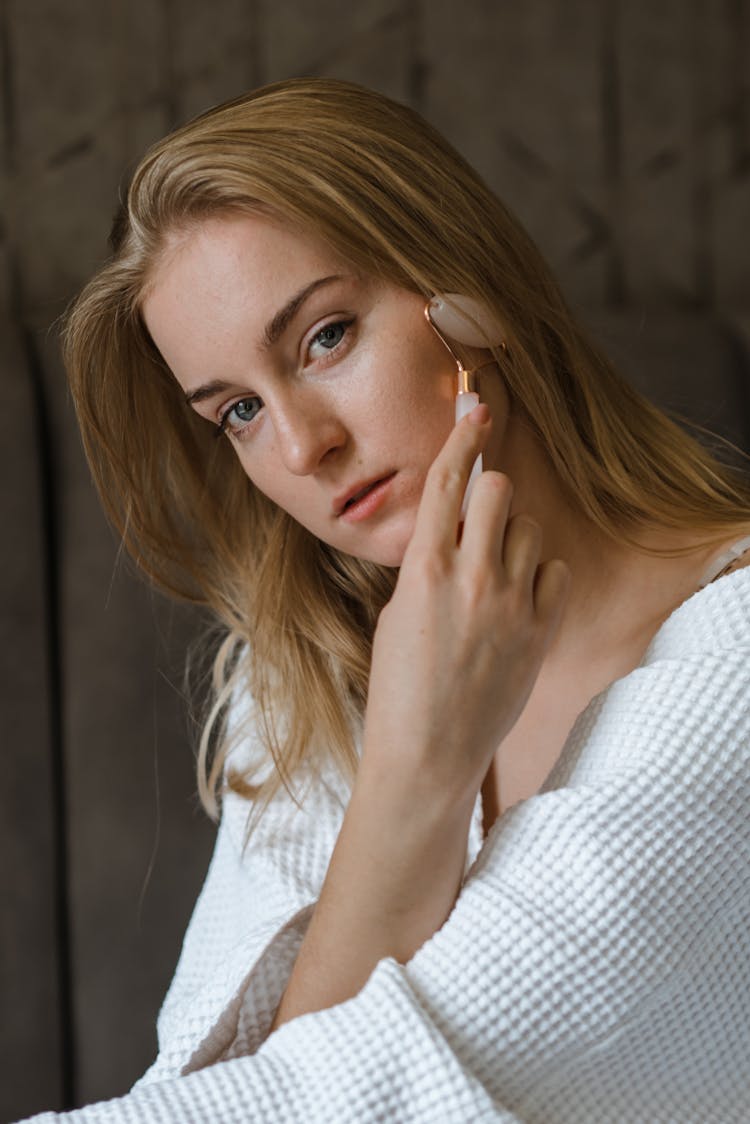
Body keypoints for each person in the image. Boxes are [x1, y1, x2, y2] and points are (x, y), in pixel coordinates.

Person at [21, 78, 750, 1123]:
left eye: (324, 337)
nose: (301, 445)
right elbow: (228, 1093)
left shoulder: (732, 666)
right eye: (237, 411)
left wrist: (419, 760)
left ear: (467, 290)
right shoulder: (295, 682)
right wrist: (412, 749)